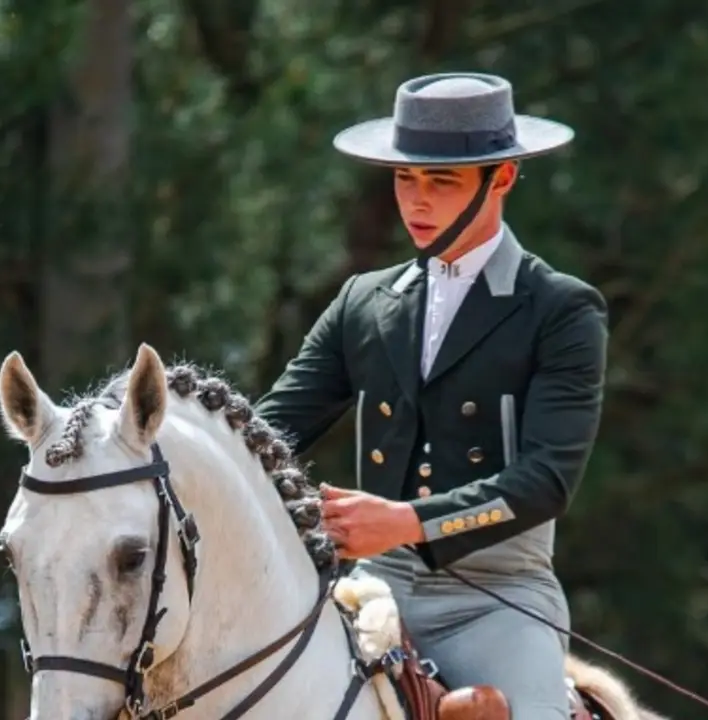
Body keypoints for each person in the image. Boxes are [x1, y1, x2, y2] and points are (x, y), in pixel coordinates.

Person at [254, 71, 608, 719]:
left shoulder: (560, 310)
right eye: (404, 180)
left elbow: (546, 480)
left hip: (496, 600)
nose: (416, 202)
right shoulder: (362, 302)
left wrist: (405, 523)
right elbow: (268, 432)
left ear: (500, 178)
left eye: (441, 183)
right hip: (373, 592)